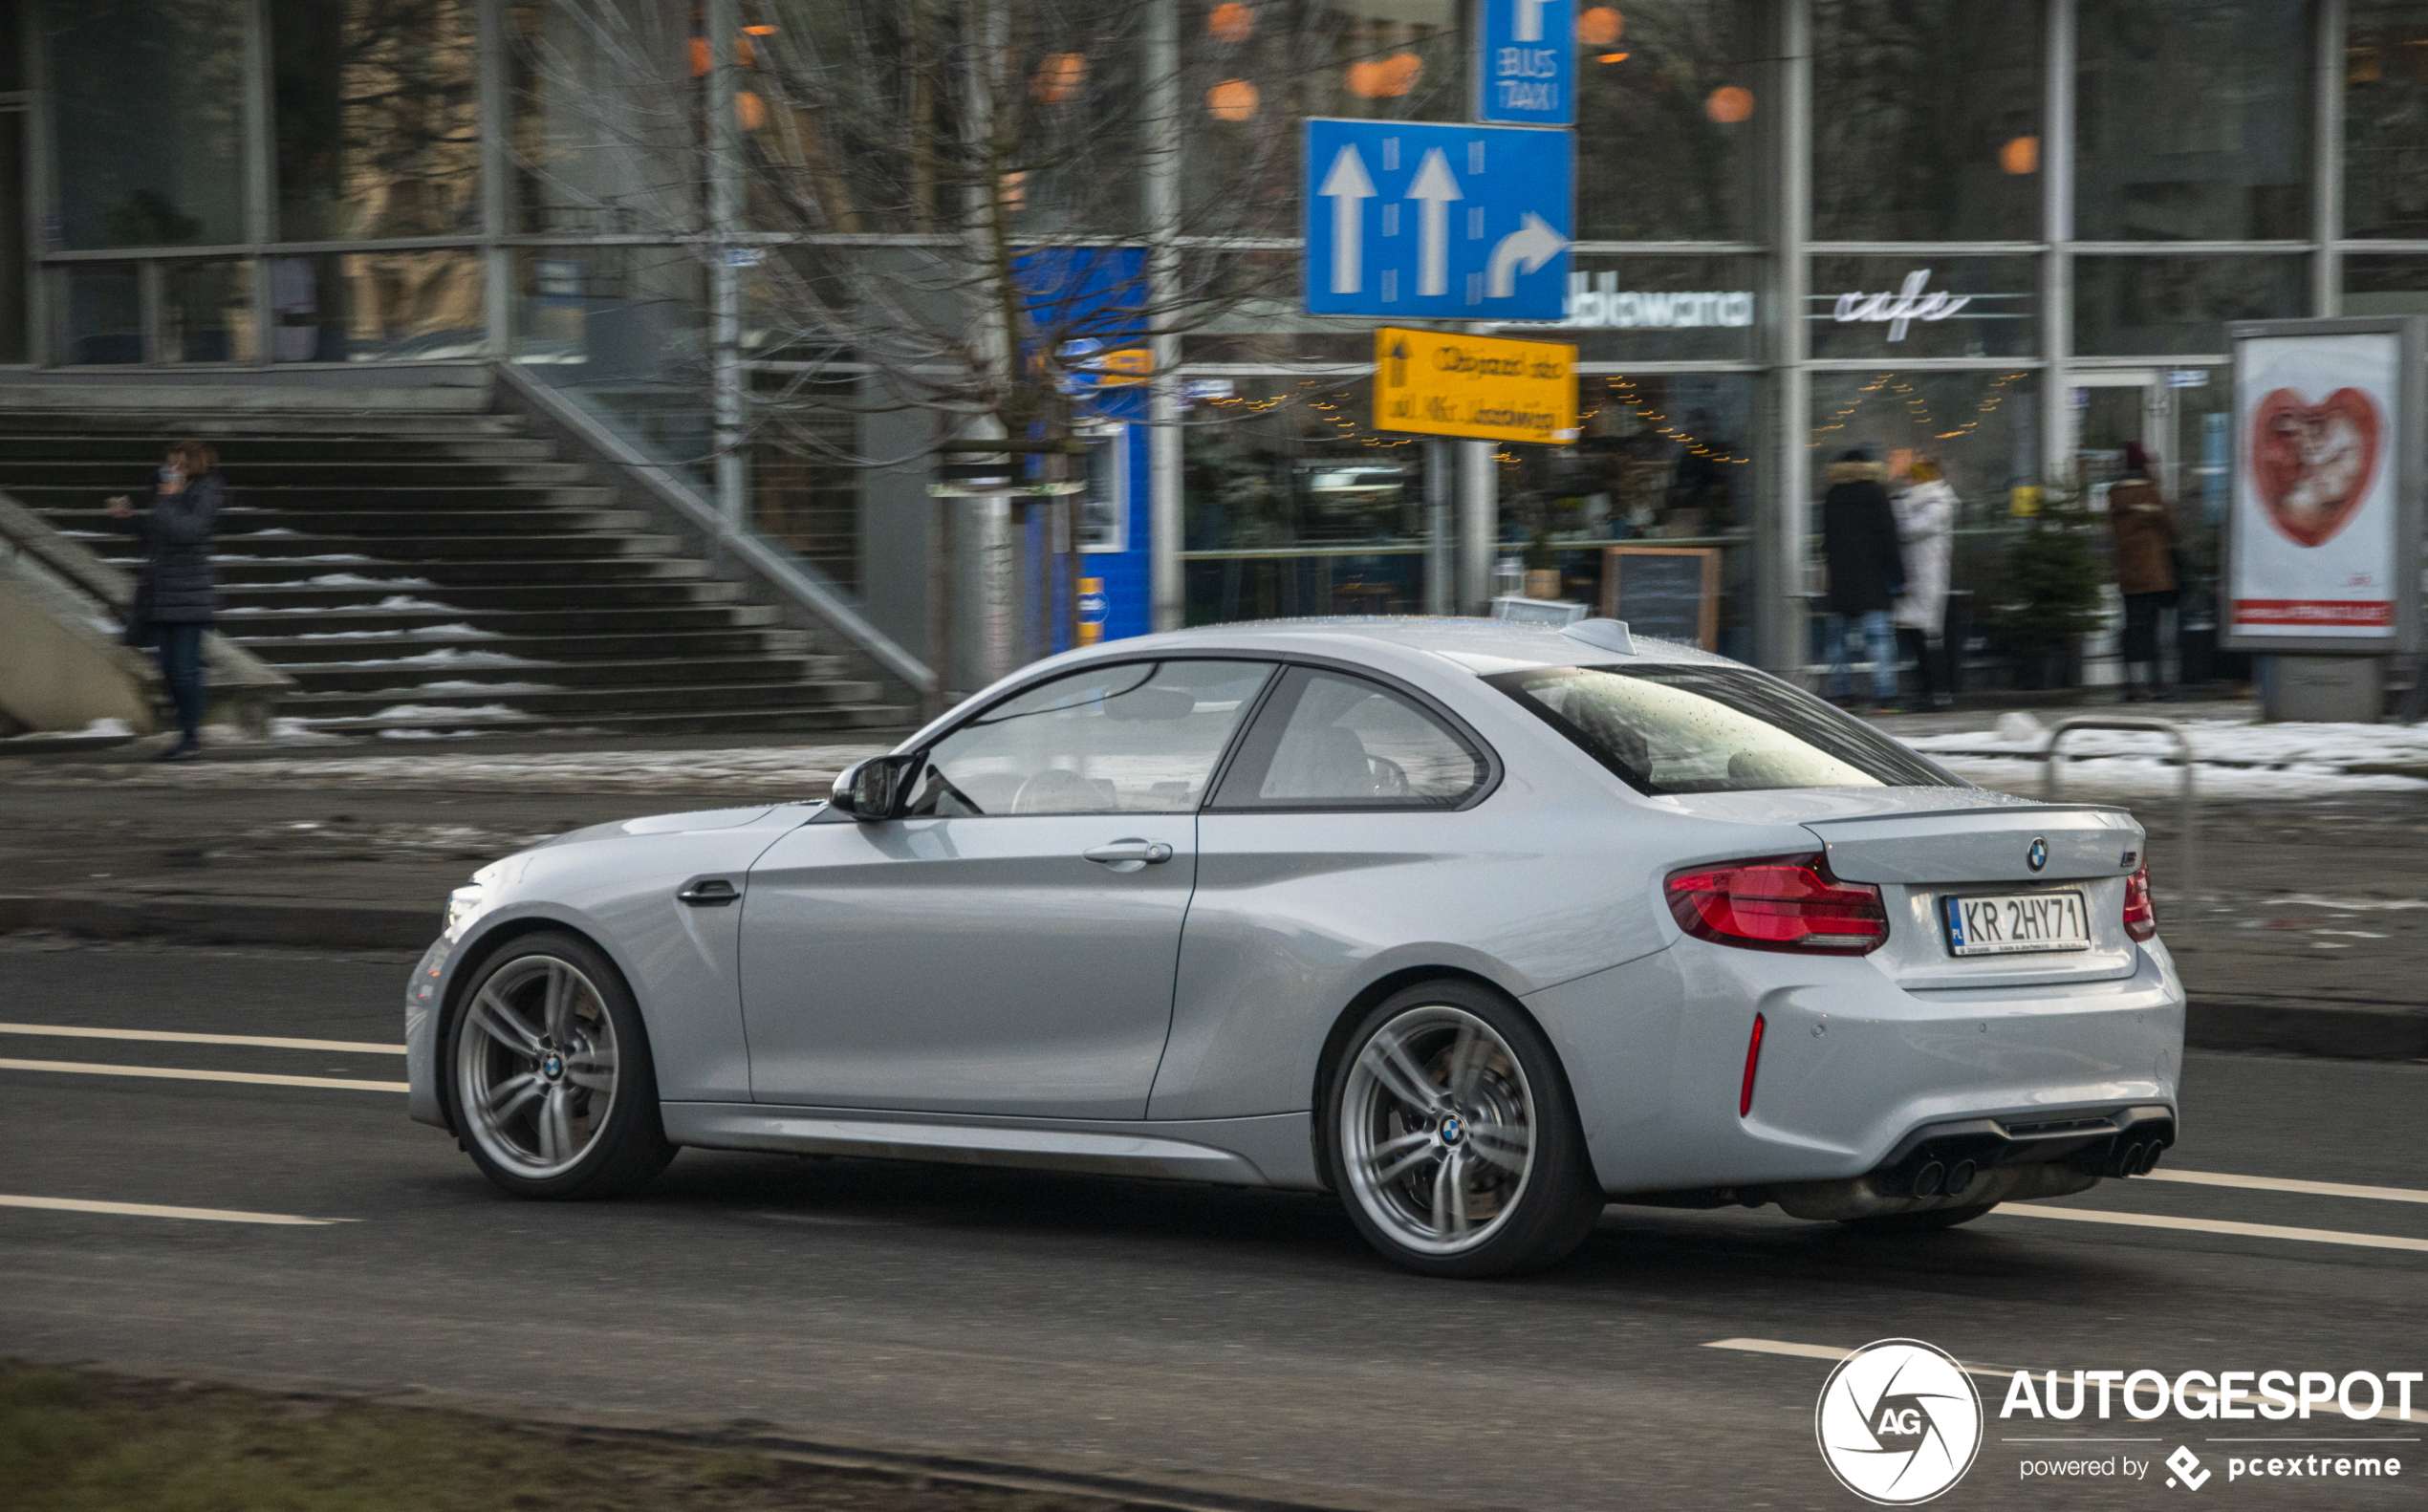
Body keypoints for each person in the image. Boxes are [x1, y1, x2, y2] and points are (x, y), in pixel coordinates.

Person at [106, 439, 226, 761]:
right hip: (161, 593)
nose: (172, 470)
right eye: (169, 463)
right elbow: (158, 535)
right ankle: (189, 721)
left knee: (185, 670)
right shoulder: (167, 494)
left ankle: (190, 737)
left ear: (195, 465)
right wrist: (129, 518)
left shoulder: (207, 492)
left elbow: (188, 531)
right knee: (168, 669)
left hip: (190, 594)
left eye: (180, 464)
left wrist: (168, 499)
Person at [1819, 446, 1904, 712]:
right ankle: (1885, 697)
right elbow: (1887, 539)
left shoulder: (1833, 495)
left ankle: (1843, 696)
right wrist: (1898, 578)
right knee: (1878, 640)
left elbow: (1827, 541)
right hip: (1873, 579)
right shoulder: (1875, 492)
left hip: (1842, 579)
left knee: (1837, 642)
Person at [2107, 442, 2180, 702]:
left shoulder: (2114, 496)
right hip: (2155, 575)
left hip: (2129, 576)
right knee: (2156, 632)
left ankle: (2130, 685)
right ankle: (2158, 685)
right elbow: (2172, 529)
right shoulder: (2150, 494)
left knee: (2132, 628)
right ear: (2142, 466)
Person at [1893, 456, 1959, 711]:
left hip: (1928, 582)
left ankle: (1937, 692)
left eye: (1910, 478)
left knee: (1927, 637)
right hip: (1914, 581)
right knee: (1915, 634)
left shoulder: (1938, 503)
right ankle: (1928, 690)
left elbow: (1910, 529)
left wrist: (1899, 509)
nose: (1906, 483)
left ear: (1921, 479)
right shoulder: (1918, 502)